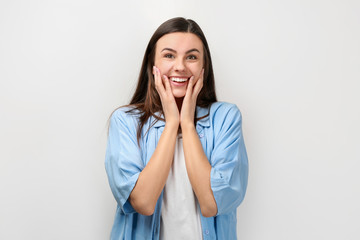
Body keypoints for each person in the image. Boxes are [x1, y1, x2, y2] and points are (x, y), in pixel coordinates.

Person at [105, 17, 248, 240]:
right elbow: (143, 202)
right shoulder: (124, 121)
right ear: (153, 65)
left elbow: (212, 204)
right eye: (169, 55)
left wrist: (188, 124)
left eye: (191, 57)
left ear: (203, 67)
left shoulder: (226, 118)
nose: (180, 66)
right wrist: (172, 123)